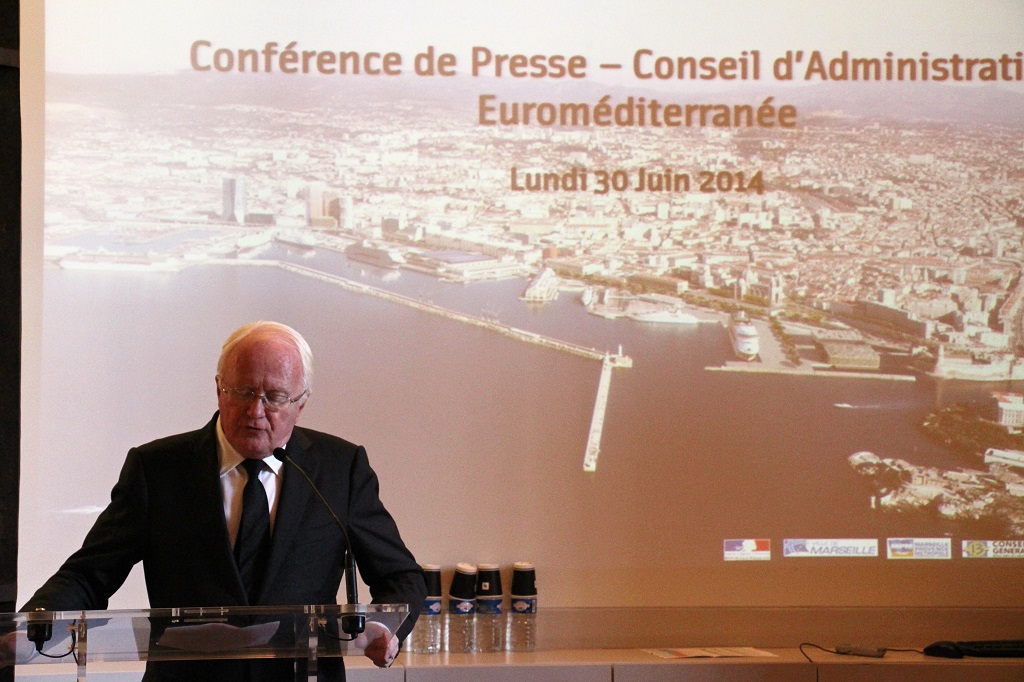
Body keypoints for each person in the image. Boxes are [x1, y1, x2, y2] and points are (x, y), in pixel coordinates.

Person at [9, 321, 426, 680]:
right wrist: (34, 624)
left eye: (275, 398)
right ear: (218, 389)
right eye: (242, 392)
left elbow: (401, 577)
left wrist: (382, 626)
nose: (255, 411)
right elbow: (89, 574)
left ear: (302, 404)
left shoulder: (340, 469)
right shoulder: (158, 468)